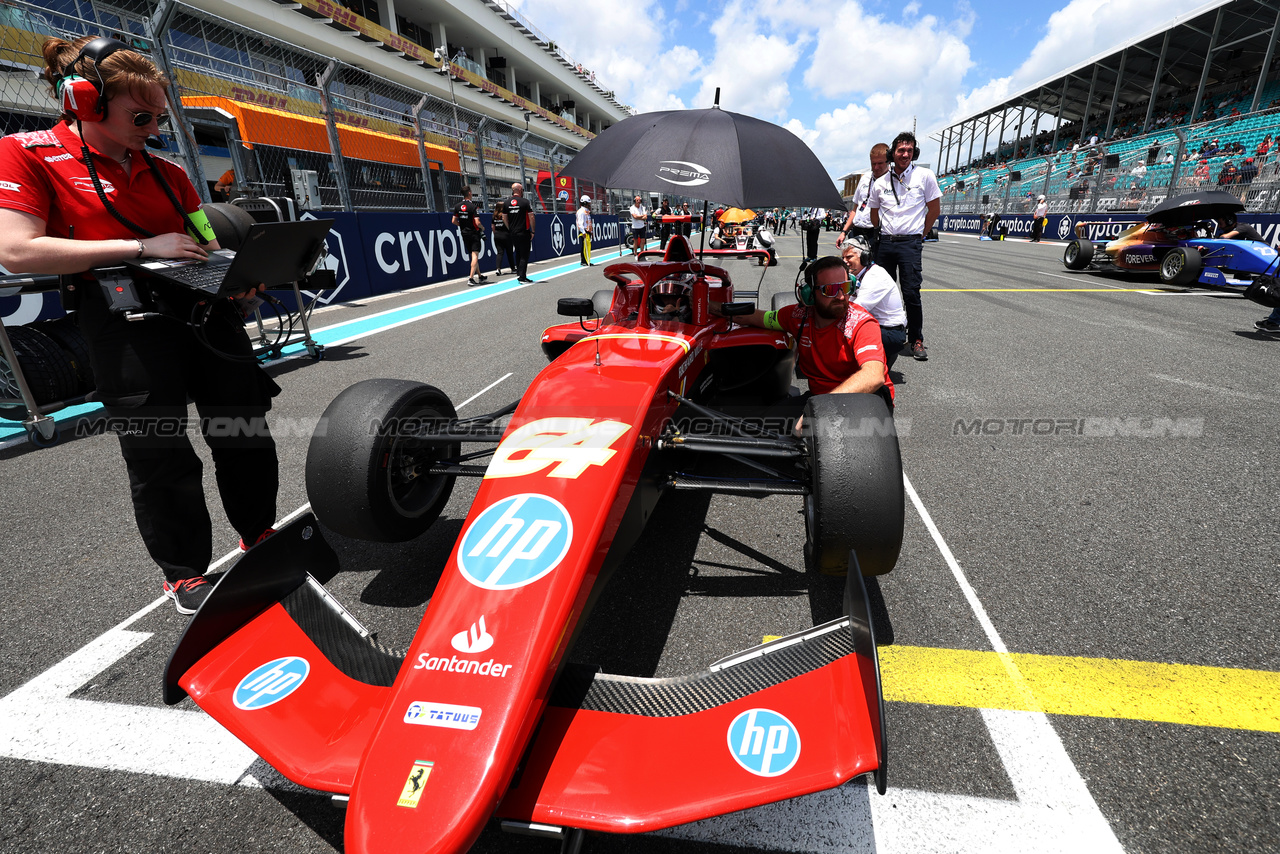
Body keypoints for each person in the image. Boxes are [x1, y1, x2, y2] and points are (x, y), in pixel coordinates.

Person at [0, 36, 279, 614]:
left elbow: (202, 240)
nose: (153, 127)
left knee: (244, 428)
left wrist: (239, 277)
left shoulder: (169, 170)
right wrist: (138, 246)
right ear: (84, 101)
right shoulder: (24, 152)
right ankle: (184, 573)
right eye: (141, 116)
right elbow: (16, 251)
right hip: (121, 315)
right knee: (160, 451)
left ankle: (260, 535)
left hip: (203, 308)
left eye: (158, 115)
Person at [710, 255, 893, 421]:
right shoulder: (797, 316)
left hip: (865, 400)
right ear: (809, 294)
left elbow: (874, 377)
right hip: (819, 399)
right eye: (830, 289)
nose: (841, 296)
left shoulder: (862, 323)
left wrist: (820, 410)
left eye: (845, 287)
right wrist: (703, 304)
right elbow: (755, 317)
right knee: (763, 426)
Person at [868, 130, 941, 362]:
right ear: (892, 153)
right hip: (886, 243)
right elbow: (873, 215)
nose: (905, 154)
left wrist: (920, 234)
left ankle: (916, 339)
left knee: (911, 292)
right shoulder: (879, 182)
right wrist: (885, 231)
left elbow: (935, 210)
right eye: (901, 150)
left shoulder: (925, 175)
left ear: (915, 152)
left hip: (910, 243)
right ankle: (880, 336)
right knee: (881, 291)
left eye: (910, 150)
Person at [842, 237, 906, 367]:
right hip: (880, 327)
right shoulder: (861, 274)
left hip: (889, 332)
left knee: (841, 326)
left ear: (864, 257)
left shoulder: (875, 276)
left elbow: (855, 310)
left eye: (849, 257)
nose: (845, 262)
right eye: (843, 258)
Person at [838, 142, 889, 261]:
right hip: (857, 232)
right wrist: (844, 232)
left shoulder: (892, 181)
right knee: (851, 268)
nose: (876, 167)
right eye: (873, 163)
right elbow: (855, 209)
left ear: (888, 161)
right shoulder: (865, 178)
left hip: (875, 234)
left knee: (873, 270)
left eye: (880, 163)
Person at [451, 185, 486, 285]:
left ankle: (480, 276)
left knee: (472, 254)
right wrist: (482, 228)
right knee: (475, 255)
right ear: (470, 193)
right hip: (473, 233)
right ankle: (471, 278)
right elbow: (477, 222)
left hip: (464, 233)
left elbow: (453, 221)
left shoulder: (457, 206)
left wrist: (462, 225)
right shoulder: (473, 207)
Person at [502, 182, 534, 283]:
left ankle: (520, 273)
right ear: (520, 190)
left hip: (513, 232)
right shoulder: (525, 202)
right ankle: (522, 276)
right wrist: (532, 231)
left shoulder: (506, 203)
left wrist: (509, 228)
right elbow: (531, 217)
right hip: (523, 231)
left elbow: (504, 217)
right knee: (525, 254)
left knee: (518, 252)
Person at [575, 195, 593, 266]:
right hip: (584, 231)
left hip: (587, 230)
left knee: (587, 247)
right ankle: (583, 261)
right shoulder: (581, 212)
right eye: (588, 204)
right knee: (584, 247)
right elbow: (580, 223)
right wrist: (583, 232)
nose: (589, 205)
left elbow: (589, 222)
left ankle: (587, 260)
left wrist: (591, 231)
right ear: (585, 203)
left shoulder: (586, 211)